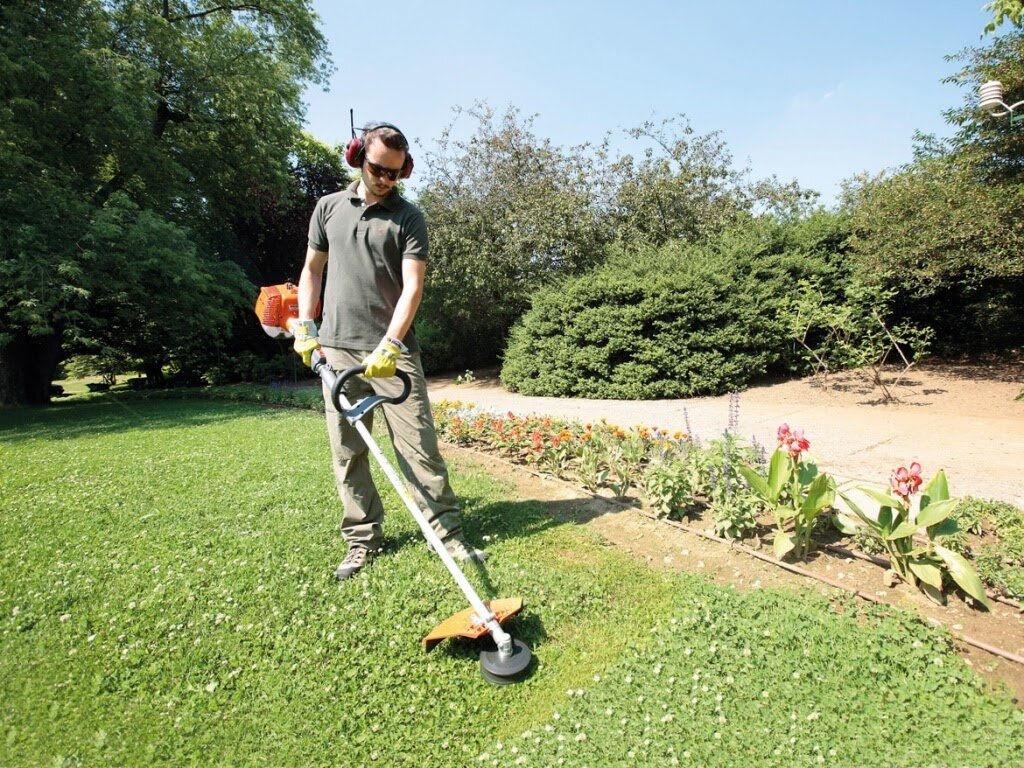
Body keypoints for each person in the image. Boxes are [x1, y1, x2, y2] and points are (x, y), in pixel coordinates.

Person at [292, 121, 486, 580]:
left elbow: (412, 287)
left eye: (397, 173)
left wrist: (392, 343)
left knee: (419, 448)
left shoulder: (408, 217)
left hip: (392, 355)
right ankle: (362, 540)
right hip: (337, 351)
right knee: (349, 451)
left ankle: (448, 535)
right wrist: (306, 325)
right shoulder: (328, 208)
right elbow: (311, 271)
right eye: (379, 169)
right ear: (358, 157)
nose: (386, 179)